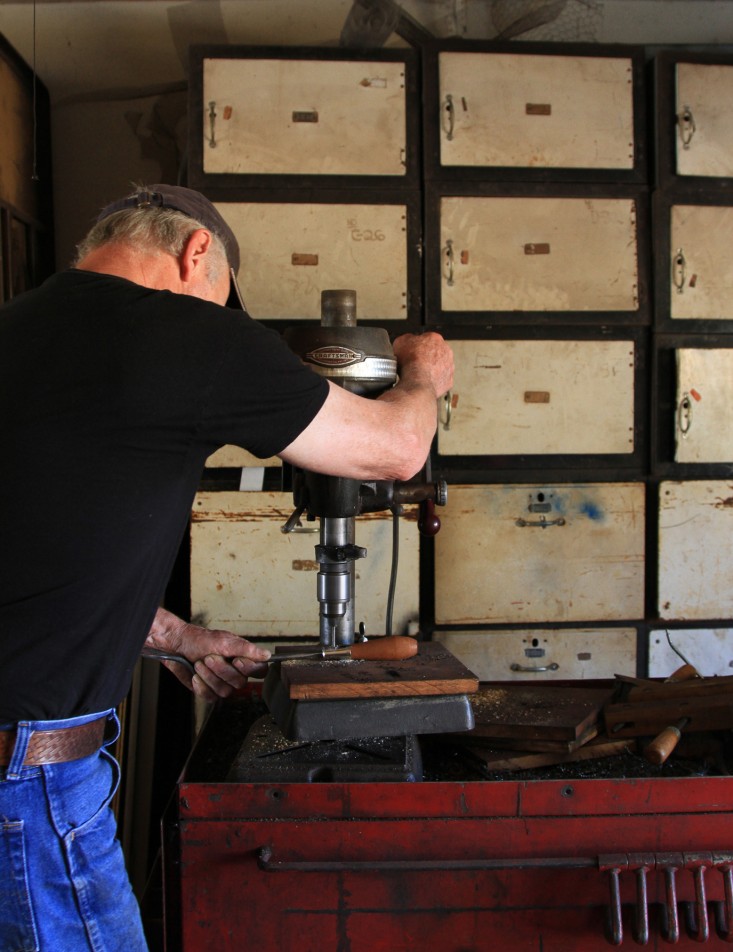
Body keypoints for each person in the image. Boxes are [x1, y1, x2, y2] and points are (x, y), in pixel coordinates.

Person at [0, 183, 454, 950]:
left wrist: (175, 636)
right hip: (30, 784)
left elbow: (41, 556)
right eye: (219, 299)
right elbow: (394, 450)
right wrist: (421, 377)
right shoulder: (189, 335)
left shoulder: (16, 330)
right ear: (196, 251)